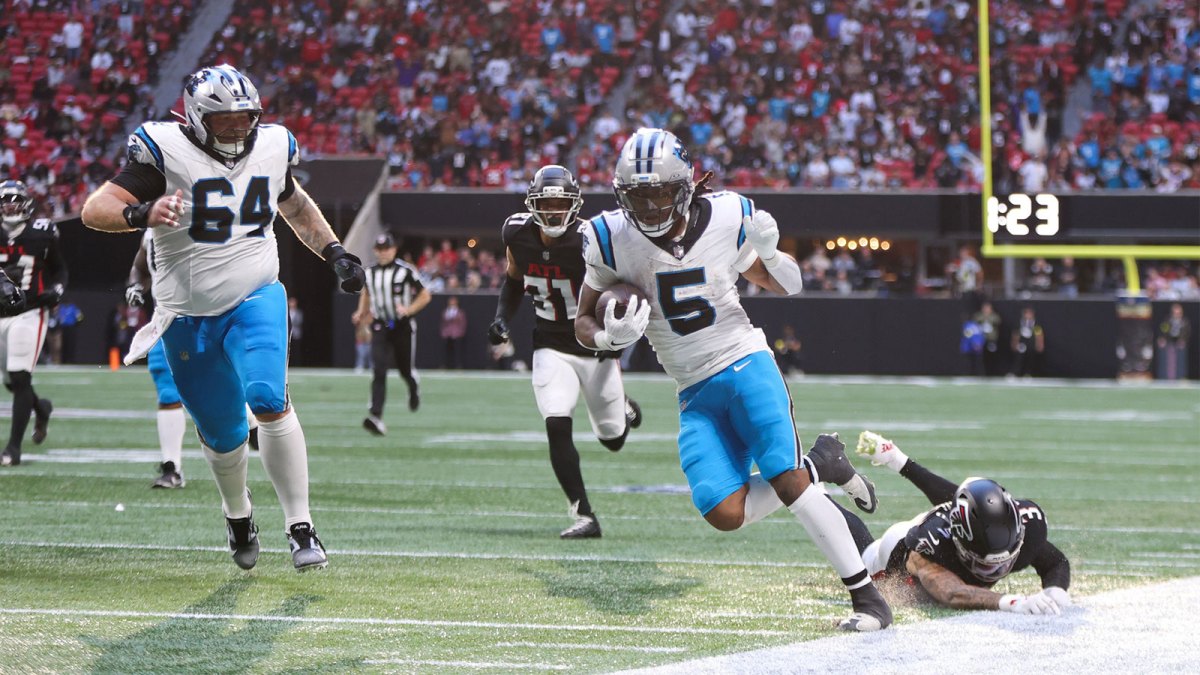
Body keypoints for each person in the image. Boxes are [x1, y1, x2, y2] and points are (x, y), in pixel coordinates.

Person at [574, 128, 891, 630]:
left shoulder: (727, 215)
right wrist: (608, 337)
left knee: (787, 481)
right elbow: (582, 321)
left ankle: (868, 601)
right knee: (724, 512)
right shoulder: (609, 236)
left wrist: (775, 250)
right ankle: (823, 461)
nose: (651, 207)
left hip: (744, 361)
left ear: (684, 187)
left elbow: (789, 284)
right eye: (639, 195)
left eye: (660, 193)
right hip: (692, 389)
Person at [80, 65, 367, 571]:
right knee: (223, 432)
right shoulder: (164, 150)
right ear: (195, 118)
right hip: (187, 315)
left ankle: (300, 526)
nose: (238, 129)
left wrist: (336, 251)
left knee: (268, 399)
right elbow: (94, 209)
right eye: (225, 120)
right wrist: (139, 215)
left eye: (246, 118)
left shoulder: (274, 146)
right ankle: (238, 514)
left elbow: (294, 204)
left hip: (256, 295)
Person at [488, 165, 644, 539]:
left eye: (561, 204)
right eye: (548, 203)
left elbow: (625, 290)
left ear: (574, 205)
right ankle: (584, 514)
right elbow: (512, 279)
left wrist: (615, 335)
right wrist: (501, 319)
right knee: (557, 423)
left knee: (613, 440)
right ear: (533, 204)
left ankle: (623, 406)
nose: (555, 211)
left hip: (596, 348)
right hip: (550, 344)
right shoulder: (516, 232)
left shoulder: (592, 240)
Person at [850, 430, 1071, 615]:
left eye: (1005, 562)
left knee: (967, 499)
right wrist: (1013, 602)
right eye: (986, 565)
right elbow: (952, 593)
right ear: (959, 543)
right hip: (889, 559)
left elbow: (1056, 563)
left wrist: (1056, 593)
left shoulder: (1024, 530)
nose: (997, 570)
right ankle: (819, 497)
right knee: (854, 551)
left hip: (958, 518)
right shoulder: (931, 544)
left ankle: (895, 460)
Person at [125, 232, 261, 489]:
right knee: (168, 391)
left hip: (208, 320)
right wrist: (134, 285)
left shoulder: (203, 223)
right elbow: (139, 266)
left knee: (215, 388)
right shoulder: (152, 231)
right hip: (166, 321)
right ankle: (171, 467)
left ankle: (251, 421)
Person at [0, 180, 62, 467]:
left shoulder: (42, 232)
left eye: (15, 199)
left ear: (26, 202)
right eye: (5, 200)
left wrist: (57, 290)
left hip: (30, 311)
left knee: (20, 376)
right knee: (13, 383)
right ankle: (41, 408)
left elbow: (59, 268)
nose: (10, 204)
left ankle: (13, 448)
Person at [352, 233, 430, 436]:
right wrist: (362, 312)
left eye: (387, 248)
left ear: (394, 249)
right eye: (380, 249)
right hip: (380, 325)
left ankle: (413, 387)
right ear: (375, 251)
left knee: (405, 370)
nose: (383, 252)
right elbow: (367, 293)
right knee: (378, 370)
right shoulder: (370, 273)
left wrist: (409, 310)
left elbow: (425, 294)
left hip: (402, 325)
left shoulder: (405, 271)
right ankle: (376, 416)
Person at [1156, 302, 1191, 380]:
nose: (1177, 315)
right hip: (1169, 340)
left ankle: (1181, 376)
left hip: (1179, 341)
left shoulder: (1184, 322)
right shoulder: (1167, 320)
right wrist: (1162, 338)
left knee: (1181, 350)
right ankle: (1164, 376)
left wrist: (1183, 340)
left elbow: (1187, 332)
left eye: (1179, 313)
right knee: (1164, 348)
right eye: (1175, 313)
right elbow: (1163, 330)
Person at [1011, 306, 1045, 377]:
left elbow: (1039, 335)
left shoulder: (1036, 324)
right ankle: (1016, 373)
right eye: (1026, 313)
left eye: (1030, 313)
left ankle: (1028, 374)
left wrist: (1040, 344)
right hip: (1022, 343)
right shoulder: (1020, 323)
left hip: (1031, 343)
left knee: (1030, 359)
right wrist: (1015, 343)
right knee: (1019, 358)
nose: (1028, 315)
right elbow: (1016, 334)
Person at [440, 296, 466, 369]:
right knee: (446, 351)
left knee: (457, 351)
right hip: (447, 334)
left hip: (456, 334)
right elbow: (443, 323)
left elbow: (463, 323)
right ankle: (445, 365)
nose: (452, 303)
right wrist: (443, 332)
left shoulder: (460, 312)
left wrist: (461, 332)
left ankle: (457, 365)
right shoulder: (446, 311)